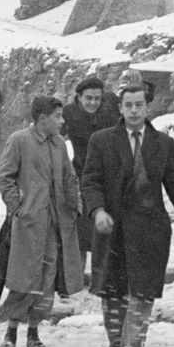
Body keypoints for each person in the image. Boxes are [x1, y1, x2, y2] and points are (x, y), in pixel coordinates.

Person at [80, 84, 174, 347]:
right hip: (112, 227)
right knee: (113, 289)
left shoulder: (163, 143)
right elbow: (90, 181)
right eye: (128, 105)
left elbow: (173, 184)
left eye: (139, 105)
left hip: (150, 228)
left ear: (147, 107)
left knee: (144, 291)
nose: (134, 111)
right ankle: (115, 344)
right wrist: (97, 211)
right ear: (120, 108)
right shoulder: (102, 141)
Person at [0, 96, 84, 347]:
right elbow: (5, 177)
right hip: (30, 226)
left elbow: (69, 177)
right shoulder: (19, 140)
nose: (62, 121)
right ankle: (10, 334)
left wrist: (73, 206)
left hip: (56, 226)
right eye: (57, 116)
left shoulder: (59, 144)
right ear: (42, 119)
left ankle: (33, 334)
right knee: (24, 279)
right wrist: (18, 208)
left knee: (46, 281)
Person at [62, 76, 119, 271]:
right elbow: (53, 131)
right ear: (78, 97)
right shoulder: (68, 113)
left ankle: (103, 277)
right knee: (81, 229)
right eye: (88, 98)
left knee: (105, 229)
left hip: (107, 176)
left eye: (97, 98)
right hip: (80, 176)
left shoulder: (111, 106)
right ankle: (76, 277)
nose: (93, 102)